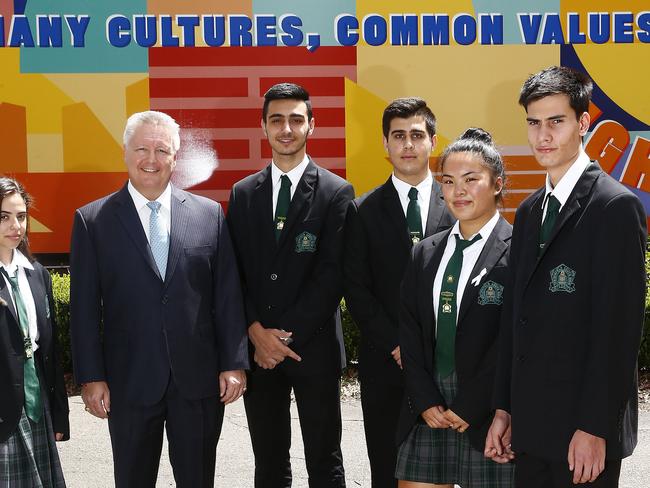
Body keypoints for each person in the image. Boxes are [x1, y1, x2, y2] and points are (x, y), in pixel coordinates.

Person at [69, 111, 249, 488]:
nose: (151, 159)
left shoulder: (209, 215)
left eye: (162, 150)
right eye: (142, 149)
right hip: (128, 382)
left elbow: (228, 296)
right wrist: (91, 376)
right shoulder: (92, 221)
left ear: (175, 156)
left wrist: (234, 362)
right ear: (125, 152)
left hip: (198, 381)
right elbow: (84, 310)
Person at [485, 66, 646, 487]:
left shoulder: (615, 208)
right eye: (534, 123)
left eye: (556, 121)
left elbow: (618, 332)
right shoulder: (527, 212)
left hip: (582, 435)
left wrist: (595, 427)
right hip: (531, 429)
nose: (543, 135)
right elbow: (513, 319)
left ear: (583, 123)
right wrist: (504, 408)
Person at [226, 82, 354, 487]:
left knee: (325, 459)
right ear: (263, 126)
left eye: (296, 120)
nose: (286, 129)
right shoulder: (244, 194)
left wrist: (281, 340)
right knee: (268, 462)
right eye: (277, 120)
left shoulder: (337, 192)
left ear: (311, 125)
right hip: (258, 350)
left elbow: (333, 275)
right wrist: (255, 333)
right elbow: (234, 273)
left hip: (312, 349)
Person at [343, 97, 454, 487]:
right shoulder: (361, 210)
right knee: (388, 469)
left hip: (448, 364)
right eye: (399, 136)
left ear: (433, 142)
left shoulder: (459, 204)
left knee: (446, 468)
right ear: (385, 145)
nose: (408, 144)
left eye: (417, 135)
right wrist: (397, 344)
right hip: (387, 365)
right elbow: (356, 289)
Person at [395, 128, 515, 487]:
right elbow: (411, 331)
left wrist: (474, 403)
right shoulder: (425, 253)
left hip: (490, 409)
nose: (458, 191)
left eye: (471, 179)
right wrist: (425, 399)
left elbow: (513, 338)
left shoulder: (520, 251)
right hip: (428, 407)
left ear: (496, 184)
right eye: (448, 181)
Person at [0, 177, 69, 487]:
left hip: (36, 406)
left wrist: (59, 413)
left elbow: (49, 353)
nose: (15, 225)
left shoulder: (37, 274)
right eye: (3, 217)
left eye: (21, 215)